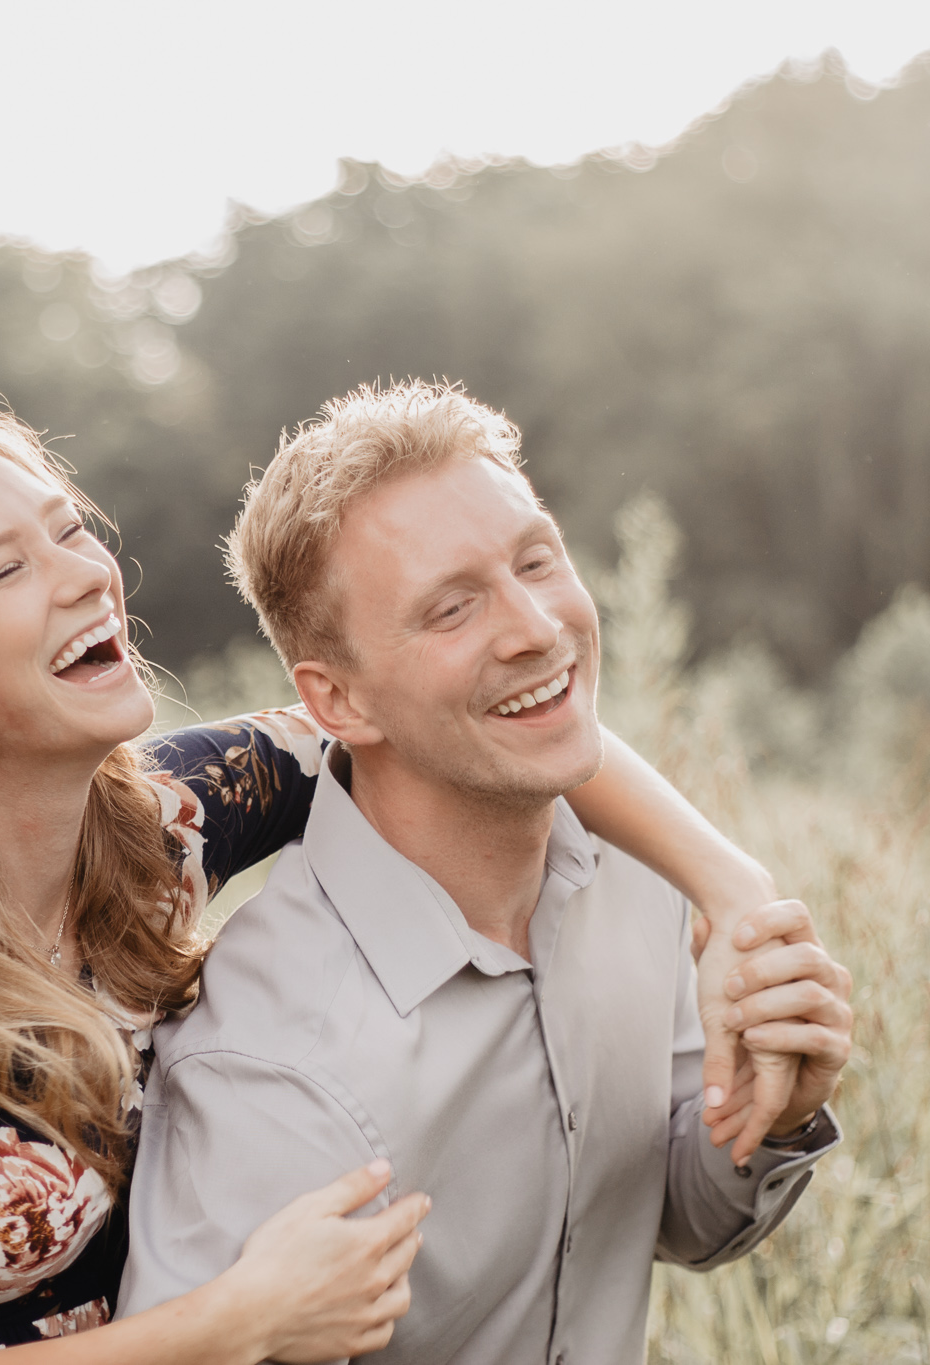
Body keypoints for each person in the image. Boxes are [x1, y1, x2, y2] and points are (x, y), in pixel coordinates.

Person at [0, 384, 810, 1362]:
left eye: (69, 529)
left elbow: (494, 724)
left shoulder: (168, 819)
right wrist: (232, 1320)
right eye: (3, 571)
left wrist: (732, 891)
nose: (84, 574)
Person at [118, 380, 853, 1364]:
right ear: (337, 701)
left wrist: (771, 1115)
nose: (536, 628)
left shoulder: (636, 880)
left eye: (535, 561)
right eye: (450, 608)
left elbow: (664, 1213)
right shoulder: (265, 1064)